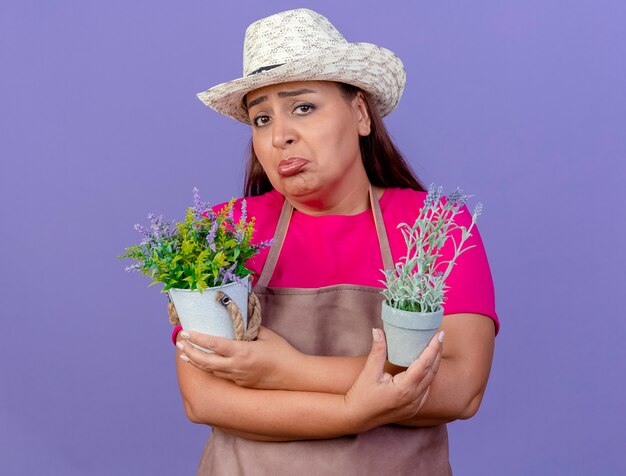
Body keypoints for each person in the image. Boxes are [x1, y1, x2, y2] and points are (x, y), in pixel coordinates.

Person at [173, 8, 497, 475]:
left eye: (303, 107)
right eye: (261, 119)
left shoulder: (435, 225)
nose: (280, 135)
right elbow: (205, 398)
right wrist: (354, 409)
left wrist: (287, 371)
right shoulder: (221, 233)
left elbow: (461, 386)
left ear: (360, 113)